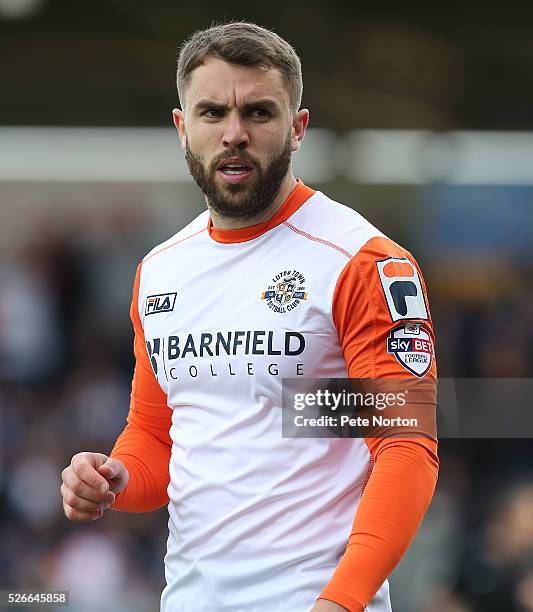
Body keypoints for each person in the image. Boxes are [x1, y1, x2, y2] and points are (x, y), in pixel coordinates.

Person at [60, 22, 439, 612]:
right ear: (183, 127)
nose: (234, 134)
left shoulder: (364, 261)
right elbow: (157, 438)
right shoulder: (161, 269)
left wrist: (344, 599)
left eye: (258, 113)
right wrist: (114, 479)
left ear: (298, 128)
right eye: (212, 113)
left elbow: (406, 448)